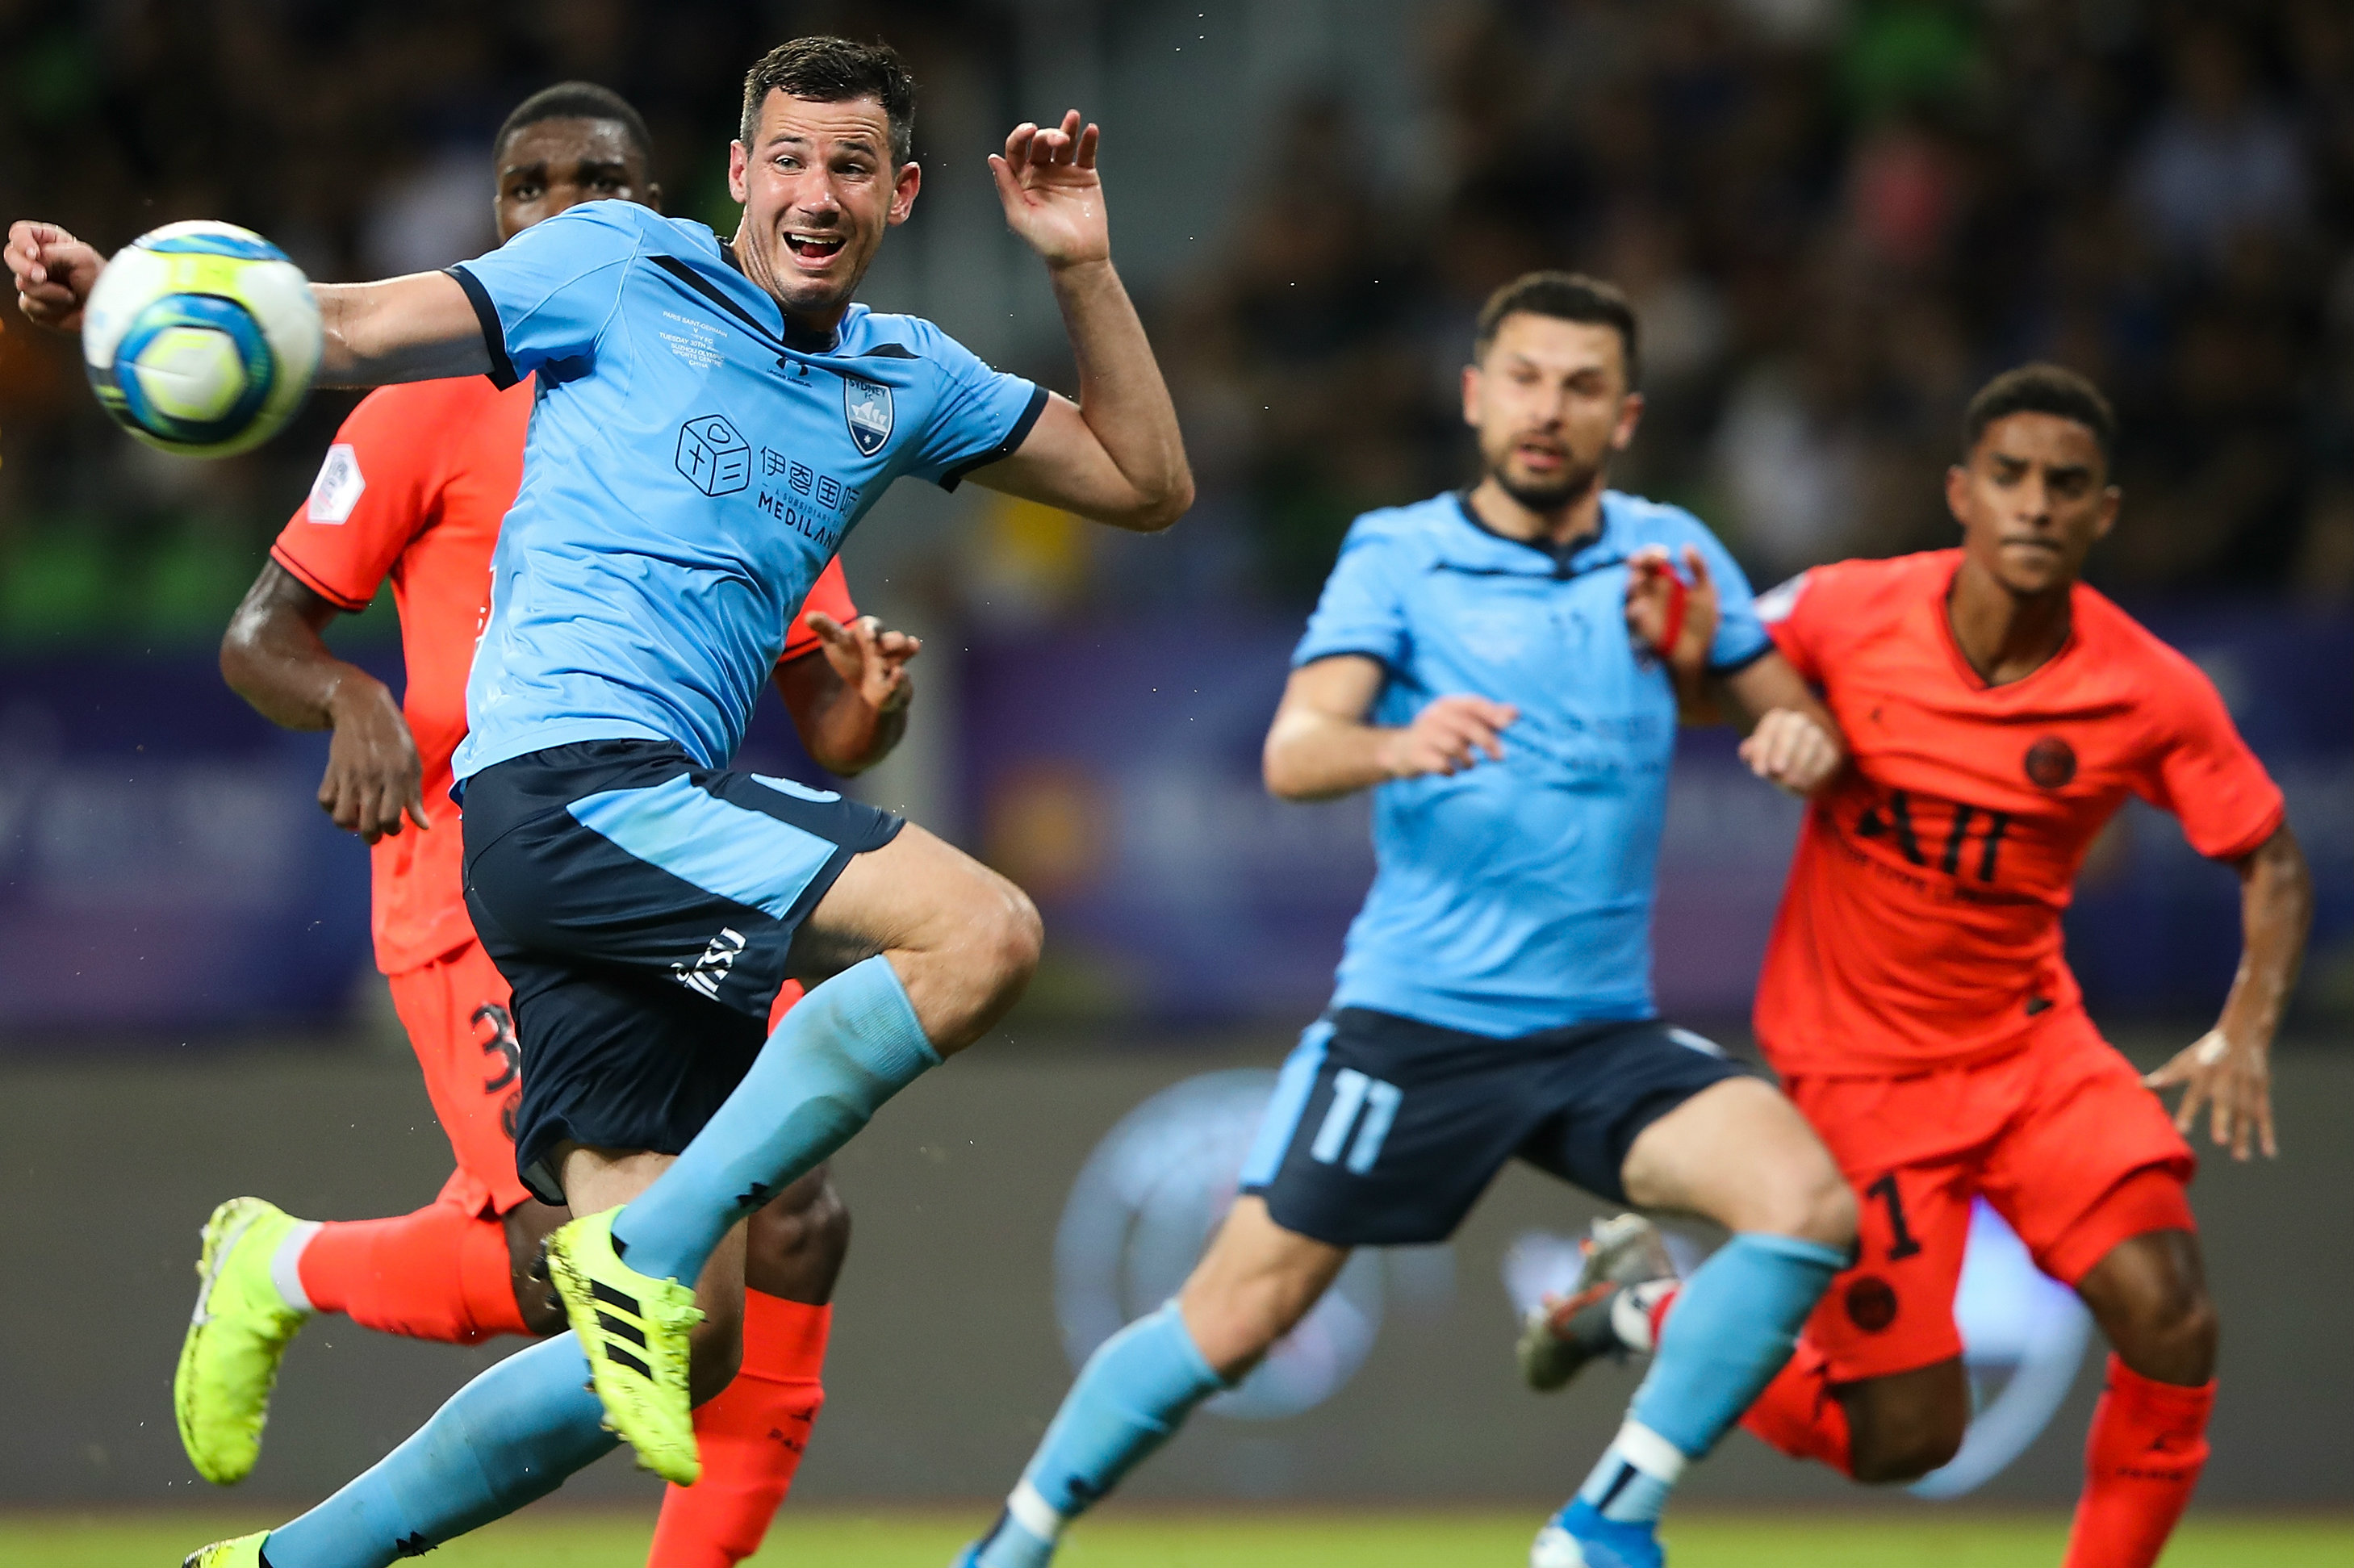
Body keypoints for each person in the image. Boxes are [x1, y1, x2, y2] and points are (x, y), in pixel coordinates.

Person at [13, 32, 1192, 1568]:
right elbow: (356, 326)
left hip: (632, 831)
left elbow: (1145, 482)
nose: (815, 192)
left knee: (681, 1343)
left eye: (850, 166)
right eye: (787, 157)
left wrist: (1080, 264)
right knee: (981, 935)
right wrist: (127, 294)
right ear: (737, 174)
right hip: (565, 783)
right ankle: (649, 1239)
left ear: (901, 192)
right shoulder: (618, 264)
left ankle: (281, 1561)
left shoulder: (905, 377)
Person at [951, 272, 1857, 1568]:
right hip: (1416, 1025)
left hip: (1599, 1031)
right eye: (1527, 380)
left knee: (1805, 1202)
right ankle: (1013, 1542)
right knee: (1234, 1318)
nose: (1550, 410)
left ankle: (1607, 1520)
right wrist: (1398, 741)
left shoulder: (1673, 556)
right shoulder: (1400, 550)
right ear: (1477, 396)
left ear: (1626, 416)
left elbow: (1802, 729)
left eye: (1582, 387)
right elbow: (1292, 753)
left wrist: (1773, 724)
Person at [175, 82, 914, 1568]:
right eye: (530, 187)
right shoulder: (423, 408)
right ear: (497, 219)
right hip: (470, 871)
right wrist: (348, 702)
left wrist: (865, 706)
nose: (567, 210)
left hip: (664, 842)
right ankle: (287, 1265)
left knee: (795, 1219)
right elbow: (263, 635)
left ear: (668, 209)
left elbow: (826, 718)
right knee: (562, 1270)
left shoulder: (726, 393)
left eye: (603, 183)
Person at [1519, 365, 2312, 1568]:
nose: (2035, 505)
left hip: (2029, 1049)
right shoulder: (1844, 610)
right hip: (1859, 1074)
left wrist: (2243, 1026)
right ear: (1960, 493)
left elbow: (2269, 858)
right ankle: (1639, 1312)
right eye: (2010, 477)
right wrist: (1682, 662)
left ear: (2104, 513)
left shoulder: (2146, 689)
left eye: (2066, 484)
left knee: (2171, 1319)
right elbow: (1700, 684)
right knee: (1902, 1439)